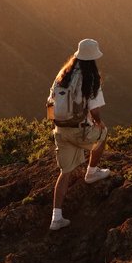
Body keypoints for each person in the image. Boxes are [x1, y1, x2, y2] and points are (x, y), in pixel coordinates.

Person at [47, 38, 110, 231]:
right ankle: (92, 172)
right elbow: (95, 111)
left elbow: (50, 102)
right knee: (103, 134)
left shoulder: (62, 75)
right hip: (79, 131)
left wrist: (57, 124)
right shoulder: (90, 78)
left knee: (64, 173)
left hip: (60, 130)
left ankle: (56, 217)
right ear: (93, 59)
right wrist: (99, 124)